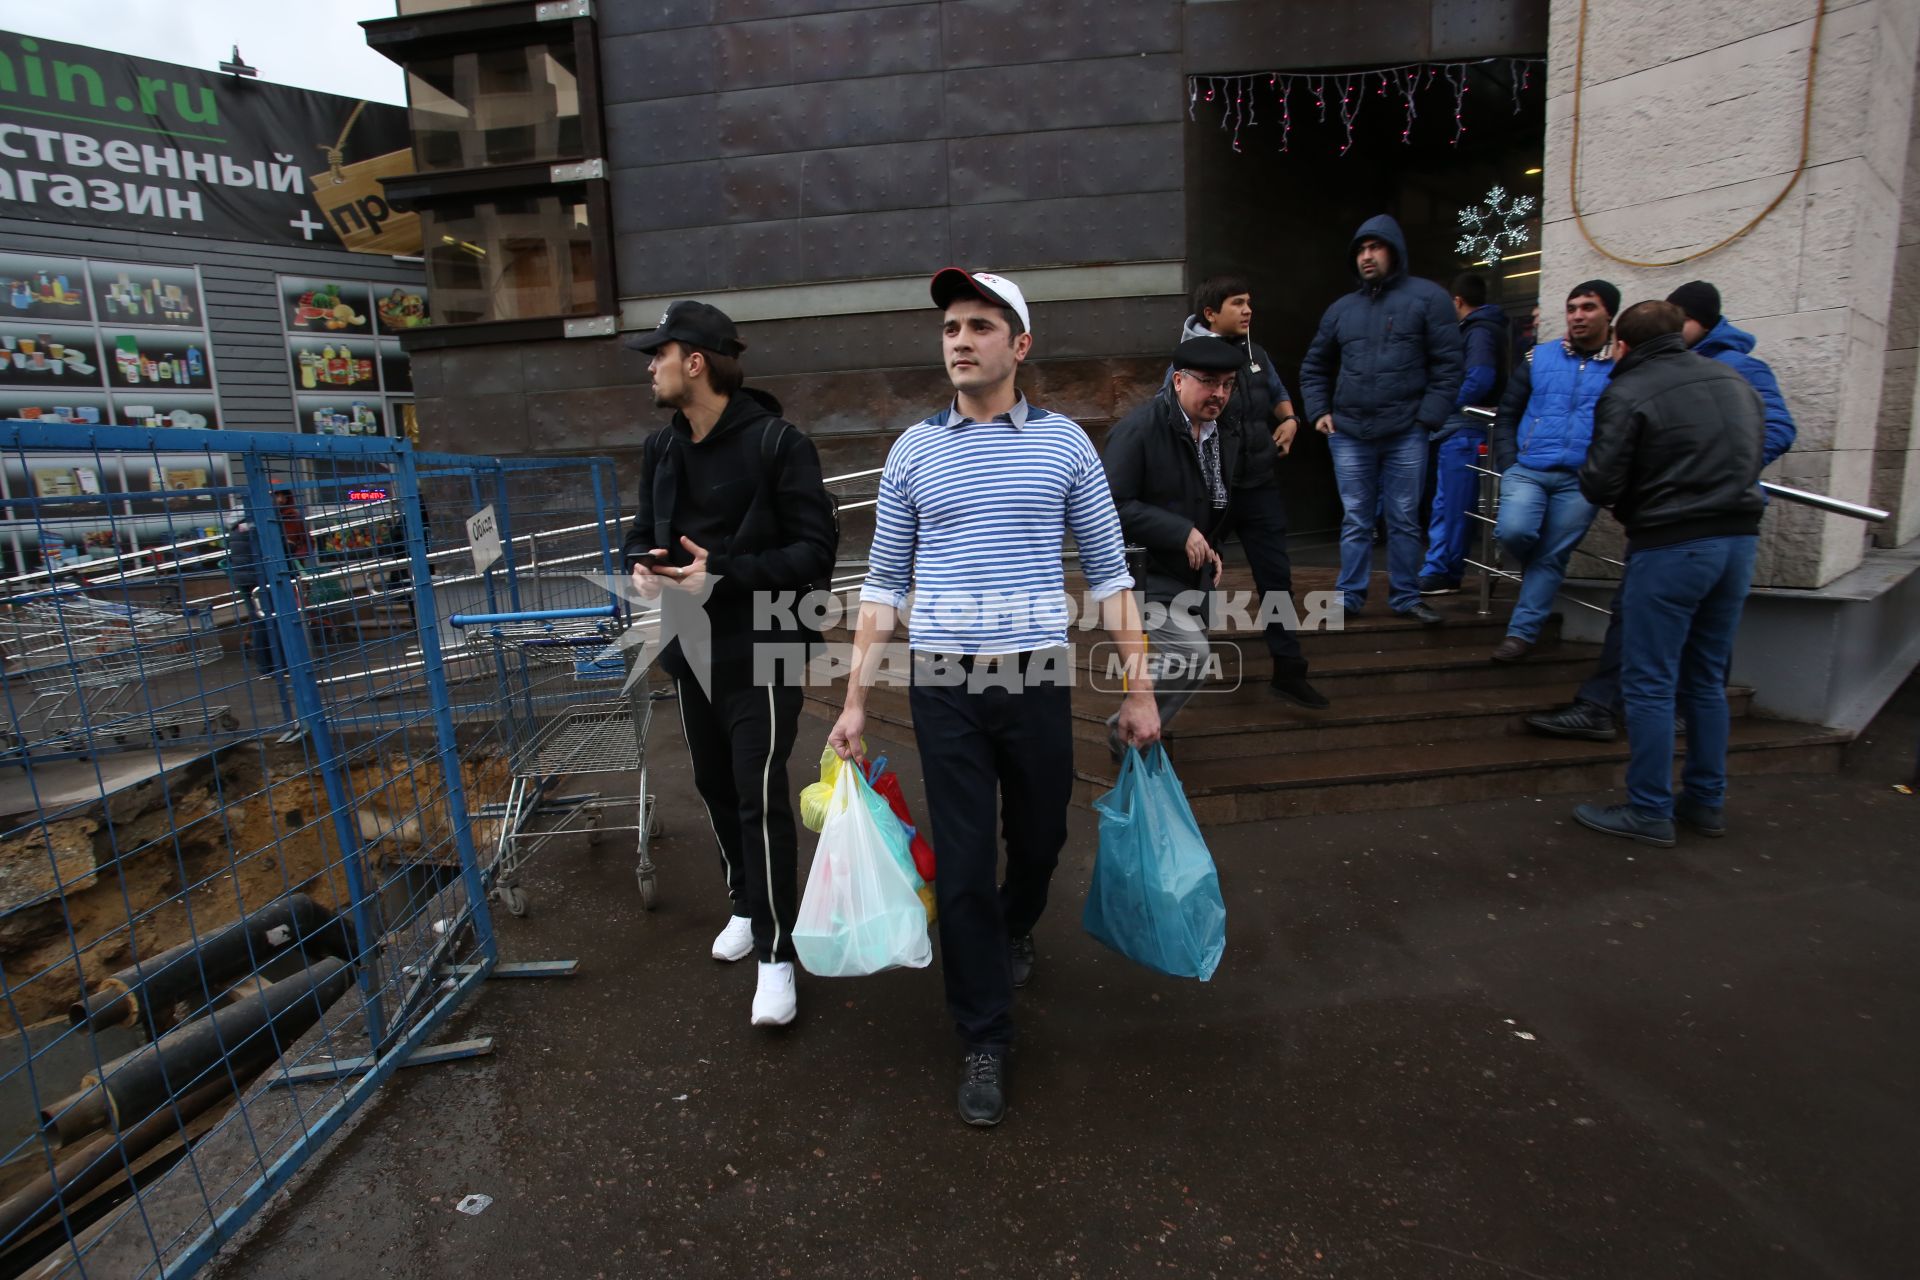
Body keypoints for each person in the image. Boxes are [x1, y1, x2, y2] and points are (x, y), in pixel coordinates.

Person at [827, 268, 1160, 1128]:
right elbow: (882, 585)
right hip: (945, 681)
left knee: (1043, 834)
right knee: (967, 863)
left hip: (1036, 673)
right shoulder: (913, 451)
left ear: (1020, 345)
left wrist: (1139, 690)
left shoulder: (1065, 446)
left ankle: (1017, 925)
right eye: (950, 327)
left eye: (980, 325)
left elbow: (1113, 577)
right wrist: (855, 701)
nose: (961, 340)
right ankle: (984, 1033)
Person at [620, 300, 838, 1029]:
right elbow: (638, 531)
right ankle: (745, 904)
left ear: (698, 361)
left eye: (660, 352)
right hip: (691, 647)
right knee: (714, 785)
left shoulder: (779, 444)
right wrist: (641, 567)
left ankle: (778, 956)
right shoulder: (661, 448)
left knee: (757, 793)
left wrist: (726, 573)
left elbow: (815, 554)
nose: (650, 365)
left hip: (766, 646)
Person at [1527, 281, 1796, 741]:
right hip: (1726, 529)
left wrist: (1705, 474)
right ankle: (1697, 796)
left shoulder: (1728, 371)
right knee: (1684, 661)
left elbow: (1775, 429)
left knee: (1656, 672)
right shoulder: (1720, 376)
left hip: (1675, 531)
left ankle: (1649, 799)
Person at [1571, 300, 1765, 845]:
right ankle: (1705, 801)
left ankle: (1649, 808)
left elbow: (1600, 481)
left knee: (1649, 683)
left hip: (1672, 545)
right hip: (1738, 541)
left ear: (1623, 346)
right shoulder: (1732, 379)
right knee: (1704, 680)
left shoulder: (1628, 390)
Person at [1299, 214, 1464, 625]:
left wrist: (1426, 420)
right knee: (1356, 517)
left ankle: (1406, 597)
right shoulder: (1341, 309)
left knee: (1404, 518)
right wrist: (1319, 411)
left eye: (1375, 247)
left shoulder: (1429, 298)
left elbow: (1449, 365)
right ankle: (1348, 597)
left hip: (1406, 429)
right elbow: (1314, 366)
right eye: (1360, 249)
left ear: (1395, 250)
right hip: (1350, 431)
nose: (1366, 256)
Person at [1172, 277, 1326, 708]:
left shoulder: (1255, 354)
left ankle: (1288, 669)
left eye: (1249, 303)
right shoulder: (1185, 361)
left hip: (1258, 485)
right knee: (1197, 578)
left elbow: (1277, 393)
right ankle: (1188, 669)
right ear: (1210, 313)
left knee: (1276, 578)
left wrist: (1291, 420)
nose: (1247, 310)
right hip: (1209, 492)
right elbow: (1170, 417)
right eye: (1237, 303)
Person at [1103, 336, 1242, 753]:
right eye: (1209, 382)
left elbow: (1213, 499)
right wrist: (1180, 531)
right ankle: (1123, 730)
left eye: (1228, 384)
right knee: (1192, 655)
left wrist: (1211, 545)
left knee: (1188, 664)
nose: (1219, 393)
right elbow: (1112, 504)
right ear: (1179, 380)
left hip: (1191, 574)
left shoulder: (1224, 433)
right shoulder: (1139, 429)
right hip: (1144, 572)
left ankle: (1137, 732)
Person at [1484, 280, 1620, 662]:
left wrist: (1602, 472)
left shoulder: (1622, 364)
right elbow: (1508, 412)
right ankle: (1531, 591)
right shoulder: (1537, 357)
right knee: (1514, 531)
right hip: (1528, 469)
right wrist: (1509, 462)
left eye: (1588, 307)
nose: (1578, 315)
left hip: (1581, 480)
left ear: (1609, 313)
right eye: (1572, 307)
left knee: (1550, 558)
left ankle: (1521, 635)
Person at [1419, 272, 1511, 595]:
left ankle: (1443, 570)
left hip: (1466, 429)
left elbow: (1479, 379)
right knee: (1451, 502)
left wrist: (1442, 404)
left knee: (1452, 504)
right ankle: (1443, 567)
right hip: (1467, 429)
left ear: (1456, 301)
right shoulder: (1486, 330)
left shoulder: (1479, 332)